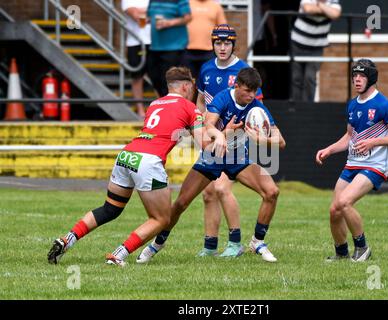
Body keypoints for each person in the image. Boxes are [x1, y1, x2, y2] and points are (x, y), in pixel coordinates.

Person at [47, 67, 206, 266]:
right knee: (161, 219)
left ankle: (67, 239)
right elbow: (204, 144)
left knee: (110, 209)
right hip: (148, 161)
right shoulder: (190, 108)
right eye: (191, 88)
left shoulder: (155, 103)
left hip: (127, 155)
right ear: (186, 86)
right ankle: (119, 254)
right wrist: (224, 132)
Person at [136, 67, 286, 263]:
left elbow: (280, 141)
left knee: (272, 192)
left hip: (238, 157)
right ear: (236, 85)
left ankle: (257, 241)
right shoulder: (223, 98)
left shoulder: (257, 107)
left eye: (254, 91)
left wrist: (258, 137)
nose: (251, 95)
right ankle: (157, 243)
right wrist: (223, 134)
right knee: (181, 203)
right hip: (213, 154)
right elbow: (208, 124)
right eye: (247, 91)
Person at [315, 59, 388, 262]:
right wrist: (329, 150)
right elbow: (349, 137)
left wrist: (374, 142)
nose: (357, 80)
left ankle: (362, 248)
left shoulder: (383, 105)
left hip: (374, 166)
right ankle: (341, 253)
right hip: (352, 164)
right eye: (354, 76)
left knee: (345, 202)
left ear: (371, 78)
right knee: (334, 210)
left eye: (362, 76)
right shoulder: (352, 104)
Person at [190, 24, 264, 258]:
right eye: (218, 43)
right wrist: (201, 128)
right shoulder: (206, 69)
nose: (222, 48)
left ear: (234, 45)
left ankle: (235, 243)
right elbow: (200, 102)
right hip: (213, 139)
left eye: (227, 43)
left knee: (221, 187)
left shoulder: (244, 70)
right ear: (212, 44)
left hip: (236, 140)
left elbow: (257, 107)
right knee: (208, 193)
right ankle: (210, 246)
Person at [290, 0, 341, 102]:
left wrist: (318, 5)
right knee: (296, 78)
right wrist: (326, 10)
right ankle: (295, 107)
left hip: (316, 47)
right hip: (297, 44)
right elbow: (308, 9)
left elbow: (335, 14)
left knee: (310, 78)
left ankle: (308, 107)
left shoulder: (333, 1)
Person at [147, 0, 192, 97]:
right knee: (153, 76)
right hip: (155, 46)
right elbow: (150, 17)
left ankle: (169, 104)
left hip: (174, 47)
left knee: (167, 80)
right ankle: (165, 100)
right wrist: (147, 20)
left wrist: (169, 23)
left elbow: (188, 18)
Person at [183, 0, 227, 80]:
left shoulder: (216, 6)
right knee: (187, 82)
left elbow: (223, 29)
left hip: (209, 52)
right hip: (187, 50)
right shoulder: (186, 4)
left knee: (209, 81)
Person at [122, 0, 152, 118]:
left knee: (158, 76)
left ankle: (162, 107)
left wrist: (141, 11)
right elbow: (136, 17)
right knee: (137, 77)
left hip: (155, 42)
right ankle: (140, 110)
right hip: (135, 42)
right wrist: (152, 12)